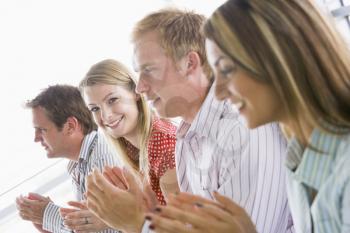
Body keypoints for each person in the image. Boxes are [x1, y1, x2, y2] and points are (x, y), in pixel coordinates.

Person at [146, 0, 350, 233]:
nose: (220, 92)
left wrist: (142, 224)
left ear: (277, 58)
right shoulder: (299, 158)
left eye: (227, 69)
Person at [86, 8, 293, 233]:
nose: (140, 87)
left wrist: (140, 224)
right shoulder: (187, 136)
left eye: (149, 70)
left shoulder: (240, 129)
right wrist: (154, 219)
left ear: (190, 63)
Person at [79, 59, 178, 232]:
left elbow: (183, 227)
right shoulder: (134, 148)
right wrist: (112, 216)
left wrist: (120, 220)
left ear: (136, 91)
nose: (106, 116)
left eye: (112, 100)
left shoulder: (162, 145)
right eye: (95, 109)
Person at [16, 85, 120, 233]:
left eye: (42, 130)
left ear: (70, 126)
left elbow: (107, 230)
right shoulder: (79, 163)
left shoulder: (102, 161)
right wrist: (45, 222)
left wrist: (48, 215)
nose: (36, 138)